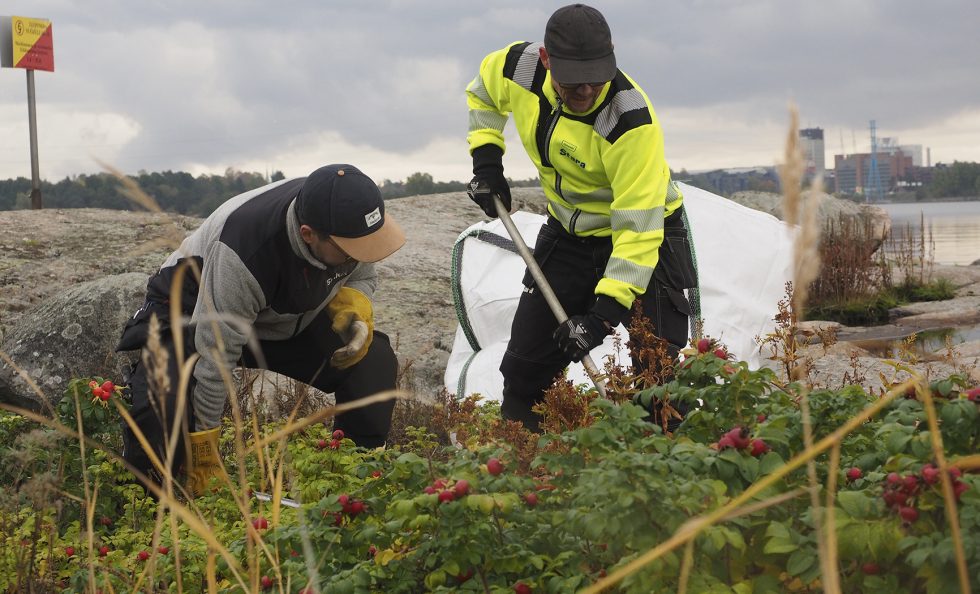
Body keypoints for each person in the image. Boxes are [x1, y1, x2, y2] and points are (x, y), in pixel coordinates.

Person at [464, 4, 698, 431]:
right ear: (547, 60)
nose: (587, 90)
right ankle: (521, 472)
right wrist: (487, 162)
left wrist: (601, 316)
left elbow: (638, 231)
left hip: (648, 237)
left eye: (597, 77)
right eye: (574, 81)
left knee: (656, 374)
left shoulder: (630, 122)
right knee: (524, 372)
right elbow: (482, 93)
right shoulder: (520, 67)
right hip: (569, 234)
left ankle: (662, 475)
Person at [116, 164, 405, 495]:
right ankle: (152, 510)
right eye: (351, 250)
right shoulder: (243, 250)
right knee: (161, 407)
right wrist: (204, 453)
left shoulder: (343, 216)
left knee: (373, 362)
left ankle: (355, 487)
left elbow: (362, 274)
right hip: (193, 312)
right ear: (309, 234)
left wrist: (356, 305)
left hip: (277, 316)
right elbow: (214, 363)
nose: (359, 256)